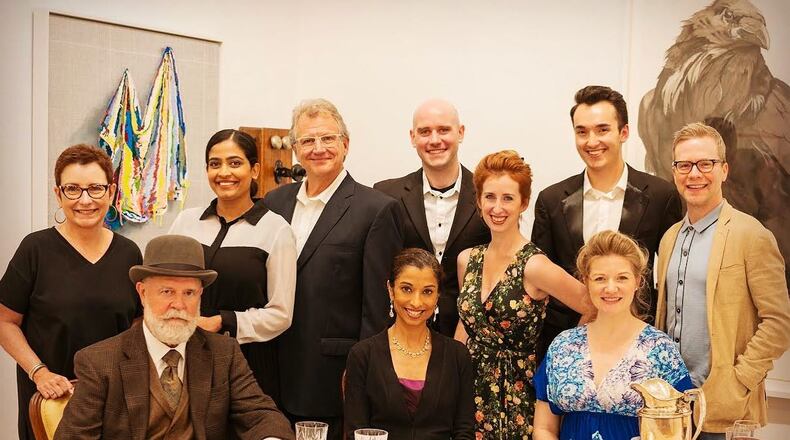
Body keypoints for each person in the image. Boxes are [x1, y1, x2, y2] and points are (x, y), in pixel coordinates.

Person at [55, 234, 294, 440]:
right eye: (167, 291)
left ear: (200, 295)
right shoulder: (99, 362)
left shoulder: (224, 352)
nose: (178, 305)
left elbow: (260, 414)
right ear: (142, 293)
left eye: (189, 293)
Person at [264, 98, 403, 440]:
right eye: (308, 140)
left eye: (328, 138)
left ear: (346, 144)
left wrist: (362, 372)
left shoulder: (376, 209)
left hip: (332, 374)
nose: (318, 148)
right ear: (295, 149)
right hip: (271, 367)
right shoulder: (274, 203)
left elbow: (377, 307)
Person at [656, 122, 790, 438]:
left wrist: (740, 379)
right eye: (684, 165)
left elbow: (779, 322)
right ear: (674, 172)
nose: (694, 174)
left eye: (706, 164)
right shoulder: (669, 237)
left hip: (723, 408)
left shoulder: (752, 235)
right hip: (670, 407)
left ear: (724, 170)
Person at [0, 144, 142, 440]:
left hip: (114, 402)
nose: (85, 200)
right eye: (73, 189)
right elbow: (5, 321)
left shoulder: (129, 253)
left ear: (111, 192)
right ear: (58, 194)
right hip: (51, 399)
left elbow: (136, 323)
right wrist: (39, 372)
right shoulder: (35, 249)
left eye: (95, 189)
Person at [532, 85, 682, 362]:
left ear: (623, 132)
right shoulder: (550, 200)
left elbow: (672, 276)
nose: (591, 141)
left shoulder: (661, 196)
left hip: (638, 344)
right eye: (582, 132)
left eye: (602, 130)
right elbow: (542, 280)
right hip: (566, 346)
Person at [455, 150, 593, 439]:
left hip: (516, 398)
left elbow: (592, 305)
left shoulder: (534, 265)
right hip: (468, 392)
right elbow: (465, 325)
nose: (497, 207)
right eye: (490, 197)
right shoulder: (467, 260)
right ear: (478, 201)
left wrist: (565, 356)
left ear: (524, 203)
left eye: (508, 198)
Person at [169, 129, 297, 402]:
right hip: (184, 356)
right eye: (215, 164)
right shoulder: (185, 222)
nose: (224, 172)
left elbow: (281, 314)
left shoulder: (276, 230)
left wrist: (223, 322)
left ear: (255, 170)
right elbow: (165, 285)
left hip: (247, 363)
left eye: (235, 163)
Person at [533, 230, 692, 440]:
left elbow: (681, 430)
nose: (610, 288)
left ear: (637, 281)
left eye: (622, 278)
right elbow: (544, 428)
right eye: (600, 278)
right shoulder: (563, 346)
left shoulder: (660, 349)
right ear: (586, 281)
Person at [375, 99, 490, 337]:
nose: (435, 140)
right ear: (412, 137)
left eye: (444, 130)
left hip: (469, 336)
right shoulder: (386, 195)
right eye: (425, 132)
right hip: (402, 334)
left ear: (460, 132)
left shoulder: (488, 196)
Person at [345, 248, 474, 440]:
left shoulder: (458, 355)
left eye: (427, 292)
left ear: (438, 296)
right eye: (407, 289)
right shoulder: (363, 354)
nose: (416, 302)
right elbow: (356, 432)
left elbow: (464, 432)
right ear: (390, 290)